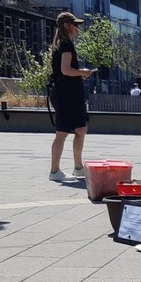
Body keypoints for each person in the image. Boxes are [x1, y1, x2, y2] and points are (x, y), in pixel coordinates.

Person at [47, 11, 94, 182]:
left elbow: (65, 71)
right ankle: (55, 170)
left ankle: (78, 168)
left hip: (68, 93)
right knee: (62, 131)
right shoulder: (65, 45)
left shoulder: (63, 44)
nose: (77, 29)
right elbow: (65, 70)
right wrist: (82, 72)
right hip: (66, 94)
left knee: (80, 129)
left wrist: (79, 74)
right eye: (75, 25)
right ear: (67, 25)